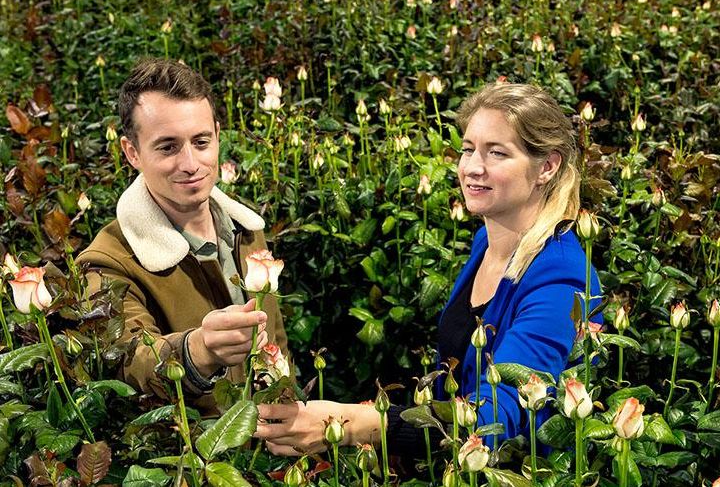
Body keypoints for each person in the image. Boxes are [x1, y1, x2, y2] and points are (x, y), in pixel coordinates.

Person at [254, 82, 602, 456]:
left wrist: (355, 426)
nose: (472, 168)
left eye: (496, 153)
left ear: (547, 166)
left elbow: (497, 416)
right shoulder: (488, 242)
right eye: (468, 150)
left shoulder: (561, 276)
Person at [77, 58, 288, 412]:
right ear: (132, 153)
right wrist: (199, 350)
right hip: (196, 460)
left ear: (218, 136)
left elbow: (277, 346)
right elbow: (129, 363)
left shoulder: (247, 232)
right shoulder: (107, 264)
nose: (190, 163)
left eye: (201, 142)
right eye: (168, 147)